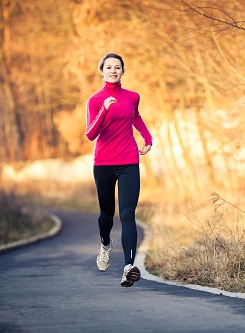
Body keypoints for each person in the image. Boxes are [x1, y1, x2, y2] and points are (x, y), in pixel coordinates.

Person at [85, 52, 153, 287]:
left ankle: (128, 267)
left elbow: (136, 117)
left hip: (128, 162)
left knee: (127, 214)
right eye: (109, 67)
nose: (113, 71)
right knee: (106, 214)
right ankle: (105, 245)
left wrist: (147, 137)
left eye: (118, 67)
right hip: (103, 163)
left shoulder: (132, 97)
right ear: (101, 71)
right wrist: (104, 109)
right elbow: (90, 133)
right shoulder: (95, 100)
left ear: (123, 71)